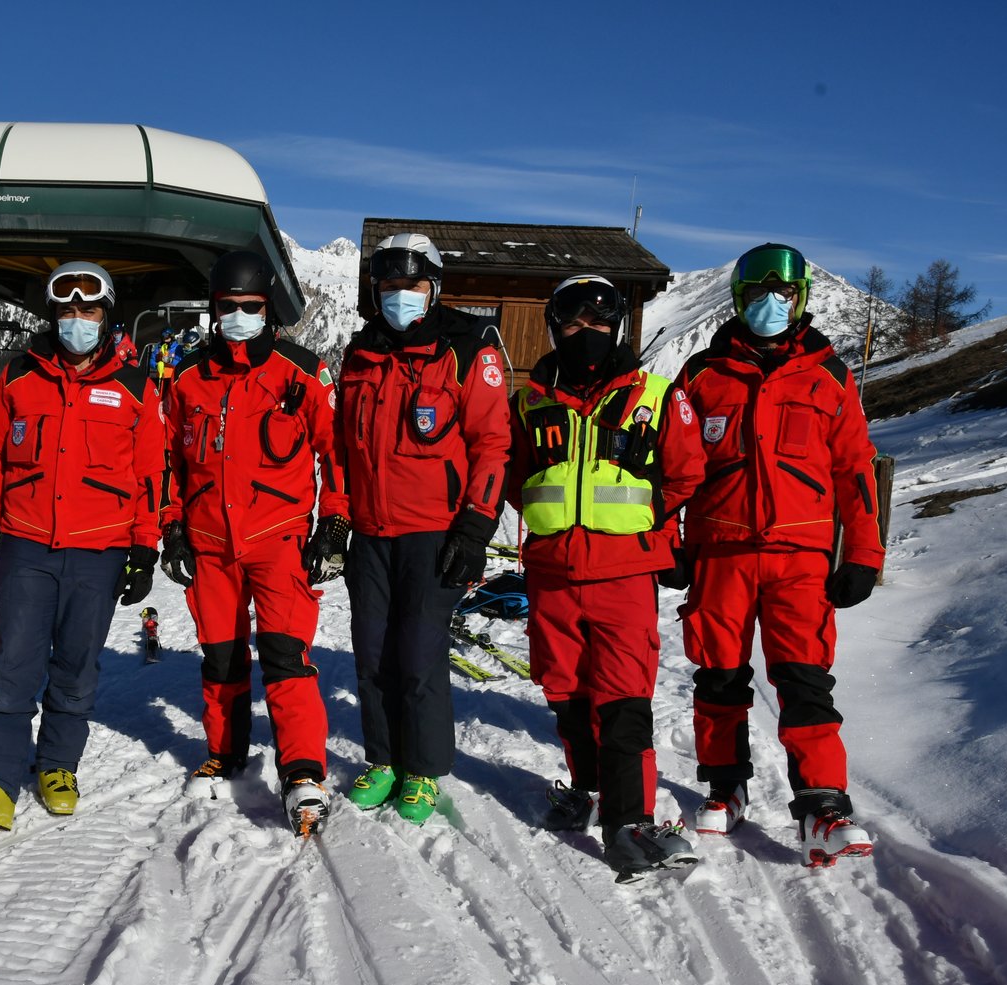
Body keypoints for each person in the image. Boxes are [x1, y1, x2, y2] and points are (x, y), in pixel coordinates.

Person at [673, 243, 884, 867]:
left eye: (784, 294)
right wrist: (672, 545)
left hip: (801, 559)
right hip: (722, 553)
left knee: (804, 680)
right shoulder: (703, 376)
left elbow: (855, 471)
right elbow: (677, 472)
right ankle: (724, 784)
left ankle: (823, 805)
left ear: (801, 301)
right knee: (718, 674)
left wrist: (864, 554)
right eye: (760, 294)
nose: (772, 304)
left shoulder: (830, 378)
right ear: (739, 299)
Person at [0, 262, 163, 831]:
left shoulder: (137, 387)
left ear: (106, 316)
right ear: (52, 314)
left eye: (88, 311)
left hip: (100, 548)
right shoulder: (17, 376)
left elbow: (152, 475)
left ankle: (58, 765)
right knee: (12, 663)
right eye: (66, 310)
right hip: (25, 542)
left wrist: (145, 547)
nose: (77, 320)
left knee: (77, 664)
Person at [507, 275, 705, 880]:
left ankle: (630, 822)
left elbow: (687, 472)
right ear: (554, 327)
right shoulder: (531, 401)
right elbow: (515, 474)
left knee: (622, 698)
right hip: (551, 571)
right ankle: (588, 790)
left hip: (623, 574)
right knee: (565, 689)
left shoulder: (656, 395)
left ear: (616, 325)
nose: (585, 332)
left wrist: (651, 529)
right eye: (573, 322)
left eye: (598, 321)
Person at [159, 250, 347, 836]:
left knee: (287, 659)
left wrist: (334, 524)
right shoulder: (189, 377)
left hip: (279, 540)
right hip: (210, 542)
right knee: (221, 656)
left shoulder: (302, 373)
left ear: (270, 310)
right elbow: (165, 458)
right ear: (213, 310)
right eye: (228, 307)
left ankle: (302, 769)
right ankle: (226, 750)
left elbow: (334, 454)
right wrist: (170, 524)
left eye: (250, 307)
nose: (239, 316)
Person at [337, 233, 512, 825]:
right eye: (390, 286)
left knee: (417, 657)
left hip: (434, 533)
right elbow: (343, 448)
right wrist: (336, 517)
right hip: (371, 533)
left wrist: (475, 527)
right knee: (372, 654)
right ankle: (383, 758)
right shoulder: (361, 352)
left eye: (412, 286)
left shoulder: (466, 348)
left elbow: (492, 445)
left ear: (433, 288)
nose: (401, 297)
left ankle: (423, 770)